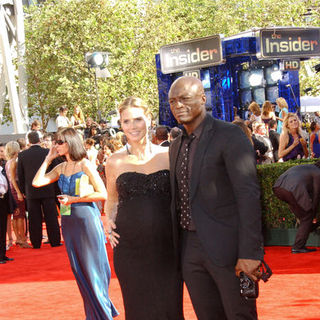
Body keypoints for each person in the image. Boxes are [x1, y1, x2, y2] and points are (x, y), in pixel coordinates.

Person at [168, 76, 264, 320]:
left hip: (228, 250)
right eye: (173, 101)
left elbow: (248, 194)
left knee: (240, 315)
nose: (178, 105)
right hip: (189, 250)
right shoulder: (176, 144)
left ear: (203, 98)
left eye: (185, 98)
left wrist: (251, 252)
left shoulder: (229, 134)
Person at [105, 96, 183, 320]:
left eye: (138, 119)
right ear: (121, 124)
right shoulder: (114, 161)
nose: (133, 126)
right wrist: (107, 220)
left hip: (167, 246)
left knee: (170, 308)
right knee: (138, 310)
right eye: (126, 121)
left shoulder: (168, 155)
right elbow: (111, 199)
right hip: (130, 248)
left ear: (149, 119)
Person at [32, 127, 118, 320]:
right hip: (69, 223)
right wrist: (48, 159)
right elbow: (37, 182)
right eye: (55, 141)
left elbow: (103, 194)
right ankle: (95, 314)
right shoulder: (60, 168)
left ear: (71, 143)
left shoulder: (85, 164)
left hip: (86, 219)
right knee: (80, 271)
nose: (56, 145)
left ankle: (103, 315)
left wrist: (74, 200)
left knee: (93, 269)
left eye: (60, 142)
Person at [17, 131, 61, 249]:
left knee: (33, 217)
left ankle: (36, 243)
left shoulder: (22, 155)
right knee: (51, 216)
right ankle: (55, 241)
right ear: (39, 140)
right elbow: (56, 171)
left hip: (31, 191)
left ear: (28, 141)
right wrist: (56, 189)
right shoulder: (47, 153)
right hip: (48, 189)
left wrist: (23, 191)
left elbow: (20, 175)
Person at [273, 163, 320, 253]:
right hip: (292, 189)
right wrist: (313, 214)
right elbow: (316, 195)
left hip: (278, 187)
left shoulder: (308, 167)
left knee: (304, 216)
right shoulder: (318, 173)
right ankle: (298, 246)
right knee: (308, 216)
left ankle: (307, 229)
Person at [5, 141, 30, 248]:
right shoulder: (14, 162)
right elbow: (13, 180)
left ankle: (19, 238)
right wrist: (19, 192)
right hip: (15, 191)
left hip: (11, 191)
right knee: (19, 216)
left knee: (15, 217)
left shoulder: (8, 162)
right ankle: (22, 239)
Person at [0, 164, 15, 264]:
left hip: (3, 201)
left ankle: (2, 255)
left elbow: (7, 187)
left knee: (2, 229)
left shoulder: (2, 170)